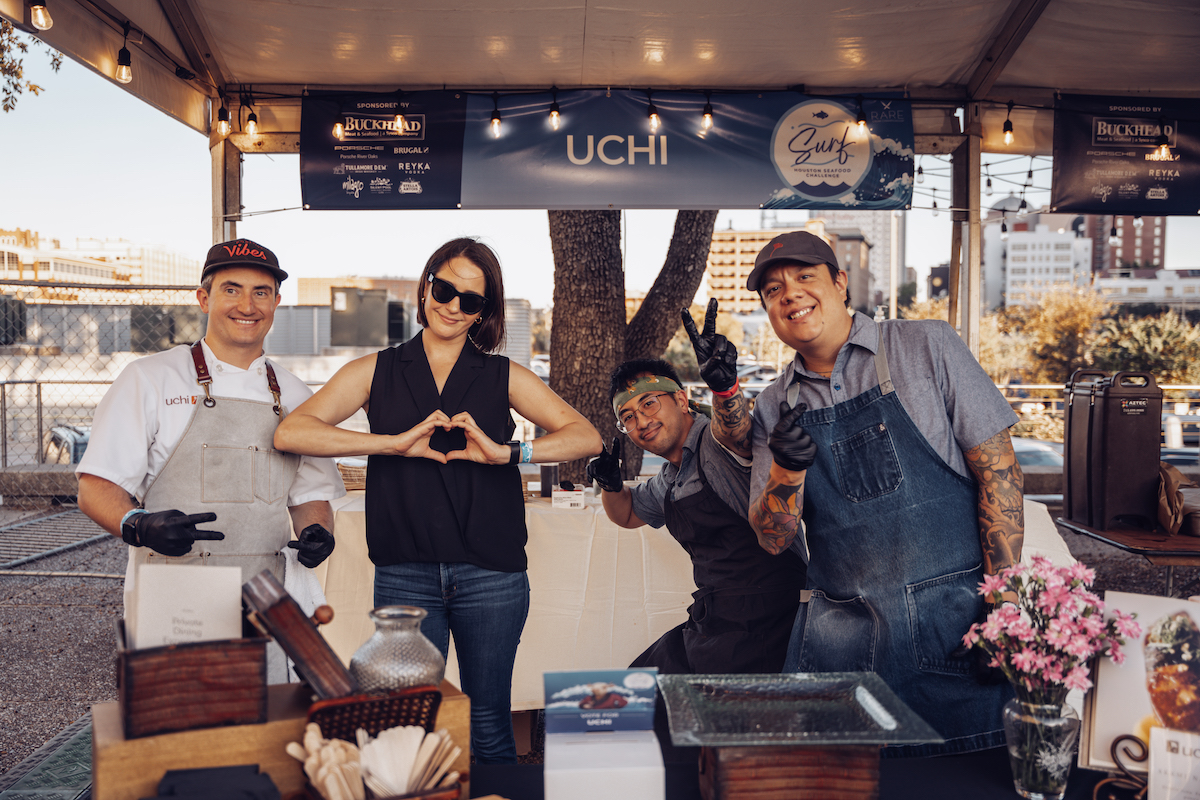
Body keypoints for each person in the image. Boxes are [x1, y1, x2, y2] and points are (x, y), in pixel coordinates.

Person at [694, 231, 1024, 757]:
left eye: (806, 277)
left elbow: (1001, 475)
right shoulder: (777, 404)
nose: (791, 295)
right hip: (844, 643)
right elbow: (774, 538)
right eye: (774, 289)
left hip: (953, 627)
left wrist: (1004, 605)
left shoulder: (928, 345)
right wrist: (786, 468)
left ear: (840, 282)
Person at [273, 237, 602, 764]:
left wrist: (509, 452)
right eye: (445, 289)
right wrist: (389, 443)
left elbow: (586, 437)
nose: (453, 305)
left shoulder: (503, 375)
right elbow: (293, 432)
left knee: (488, 719)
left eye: (471, 300)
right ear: (426, 287)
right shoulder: (376, 370)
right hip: (405, 569)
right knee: (408, 720)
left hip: (491, 573)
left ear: (483, 313)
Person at [77, 239, 345, 682]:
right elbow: (95, 487)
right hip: (175, 592)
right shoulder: (150, 378)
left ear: (277, 302)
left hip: (267, 597)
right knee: (179, 724)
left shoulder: (297, 396)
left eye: (261, 292)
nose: (247, 304)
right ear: (204, 298)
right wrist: (140, 525)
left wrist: (318, 531)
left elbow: (310, 494)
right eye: (231, 289)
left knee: (267, 723)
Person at [587, 357, 804, 675]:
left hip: (771, 621)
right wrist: (610, 485)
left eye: (648, 403)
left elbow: (738, 433)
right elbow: (628, 514)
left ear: (680, 399)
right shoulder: (669, 477)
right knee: (627, 695)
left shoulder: (717, 441)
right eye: (628, 417)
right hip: (718, 618)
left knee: (650, 709)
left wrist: (726, 389)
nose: (642, 422)